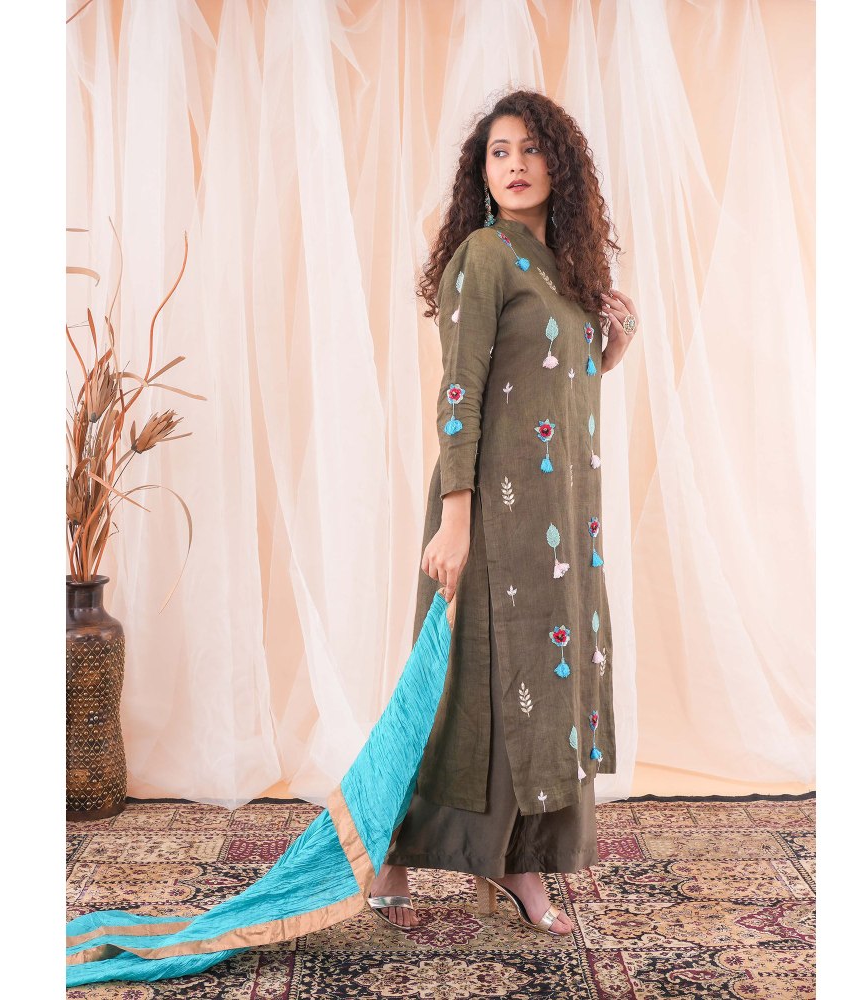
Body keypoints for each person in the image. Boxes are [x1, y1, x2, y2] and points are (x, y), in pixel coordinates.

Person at [367, 89, 639, 935]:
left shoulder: (565, 271)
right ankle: (391, 852)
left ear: (560, 164)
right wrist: (455, 522)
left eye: (530, 149)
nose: (515, 165)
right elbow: (461, 394)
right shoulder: (483, 257)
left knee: (547, 692)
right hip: (487, 518)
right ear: (481, 173)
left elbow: (552, 387)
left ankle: (522, 865)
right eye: (499, 152)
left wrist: (612, 346)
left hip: (560, 526)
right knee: (467, 692)